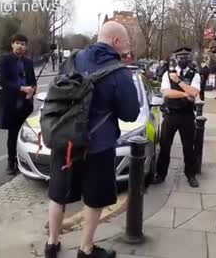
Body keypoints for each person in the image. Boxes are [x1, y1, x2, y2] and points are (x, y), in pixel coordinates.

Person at [45, 21, 140, 258]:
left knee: (58, 194)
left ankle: (51, 243)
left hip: (65, 140)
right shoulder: (120, 72)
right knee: (94, 199)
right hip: (99, 146)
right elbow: (130, 114)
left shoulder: (73, 59)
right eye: (126, 42)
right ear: (116, 41)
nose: (127, 47)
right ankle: (85, 249)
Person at [153, 47, 202, 188]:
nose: (183, 60)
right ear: (176, 58)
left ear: (190, 58)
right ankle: (161, 174)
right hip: (170, 115)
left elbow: (195, 92)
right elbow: (167, 93)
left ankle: (190, 175)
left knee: (188, 147)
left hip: (187, 115)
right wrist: (186, 94)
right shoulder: (167, 74)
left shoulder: (195, 75)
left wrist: (179, 82)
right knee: (164, 146)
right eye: (180, 57)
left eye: (186, 57)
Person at [0, 34, 37, 175]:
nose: (20, 46)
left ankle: (24, 161)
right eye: (17, 43)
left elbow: (32, 80)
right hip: (12, 104)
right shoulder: (6, 60)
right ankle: (11, 161)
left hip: (26, 103)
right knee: (13, 134)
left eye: (23, 44)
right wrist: (21, 89)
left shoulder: (28, 62)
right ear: (12, 44)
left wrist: (32, 90)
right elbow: (3, 81)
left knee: (26, 135)